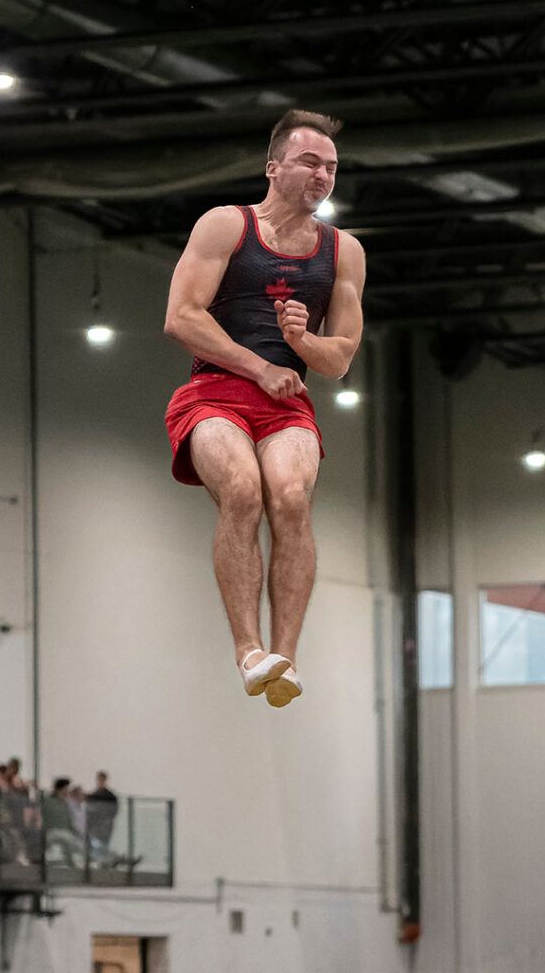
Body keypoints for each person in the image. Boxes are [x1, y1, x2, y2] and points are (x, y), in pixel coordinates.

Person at [163, 108, 366, 707]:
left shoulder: (344, 251)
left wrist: (301, 343)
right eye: (309, 162)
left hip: (287, 406)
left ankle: (285, 660)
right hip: (214, 393)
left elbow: (340, 359)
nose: (322, 174)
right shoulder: (226, 225)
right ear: (273, 168)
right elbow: (181, 317)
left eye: (331, 167)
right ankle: (248, 650)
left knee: (292, 499)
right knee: (243, 491)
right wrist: (261, 366)